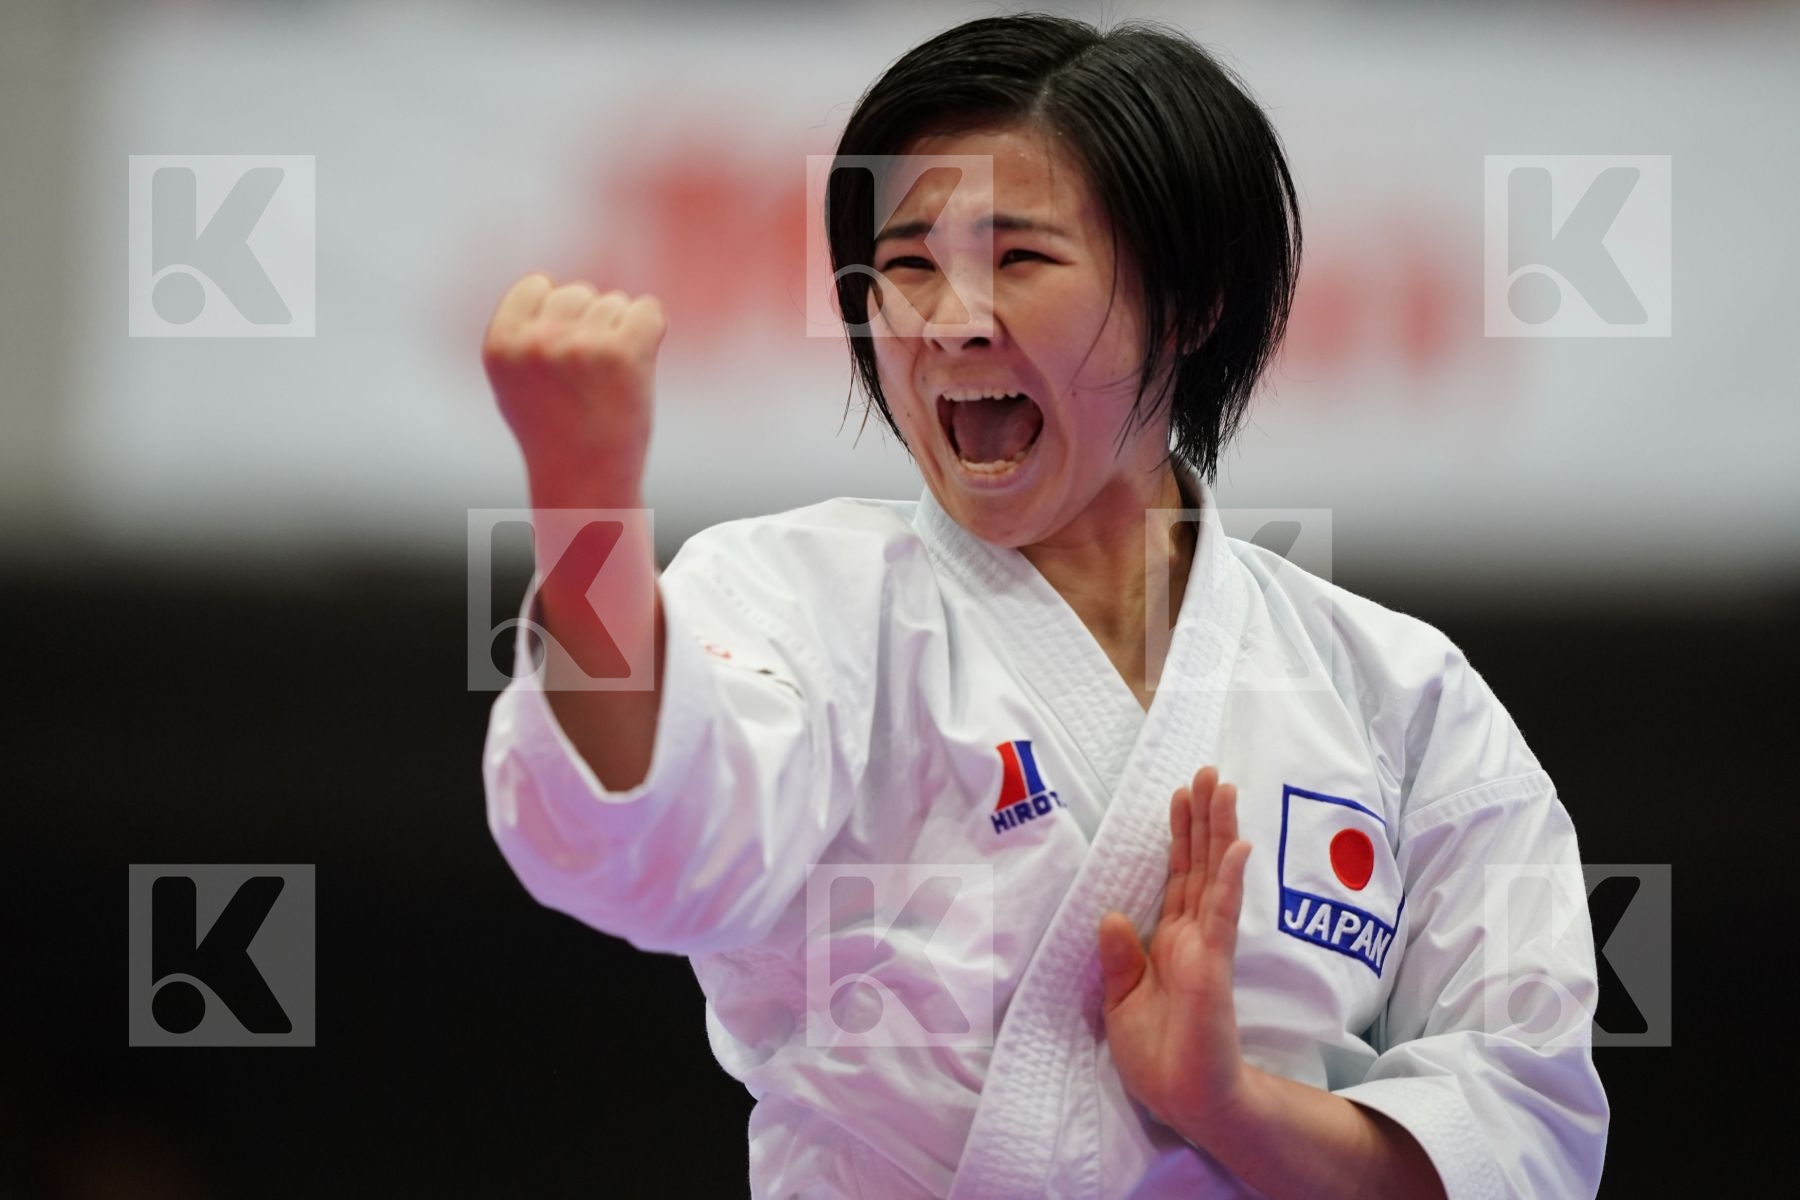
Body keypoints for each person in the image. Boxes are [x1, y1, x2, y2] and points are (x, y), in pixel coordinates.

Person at [479, 13, 1608, 1199]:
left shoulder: (1401, 698)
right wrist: (587, 507)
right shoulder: (799, 602)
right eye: (907, 264)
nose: (950, 316)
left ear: (1191, 298)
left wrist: (1232, 1108)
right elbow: (638, 846)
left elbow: (1524, 1139)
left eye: (1018, 258)